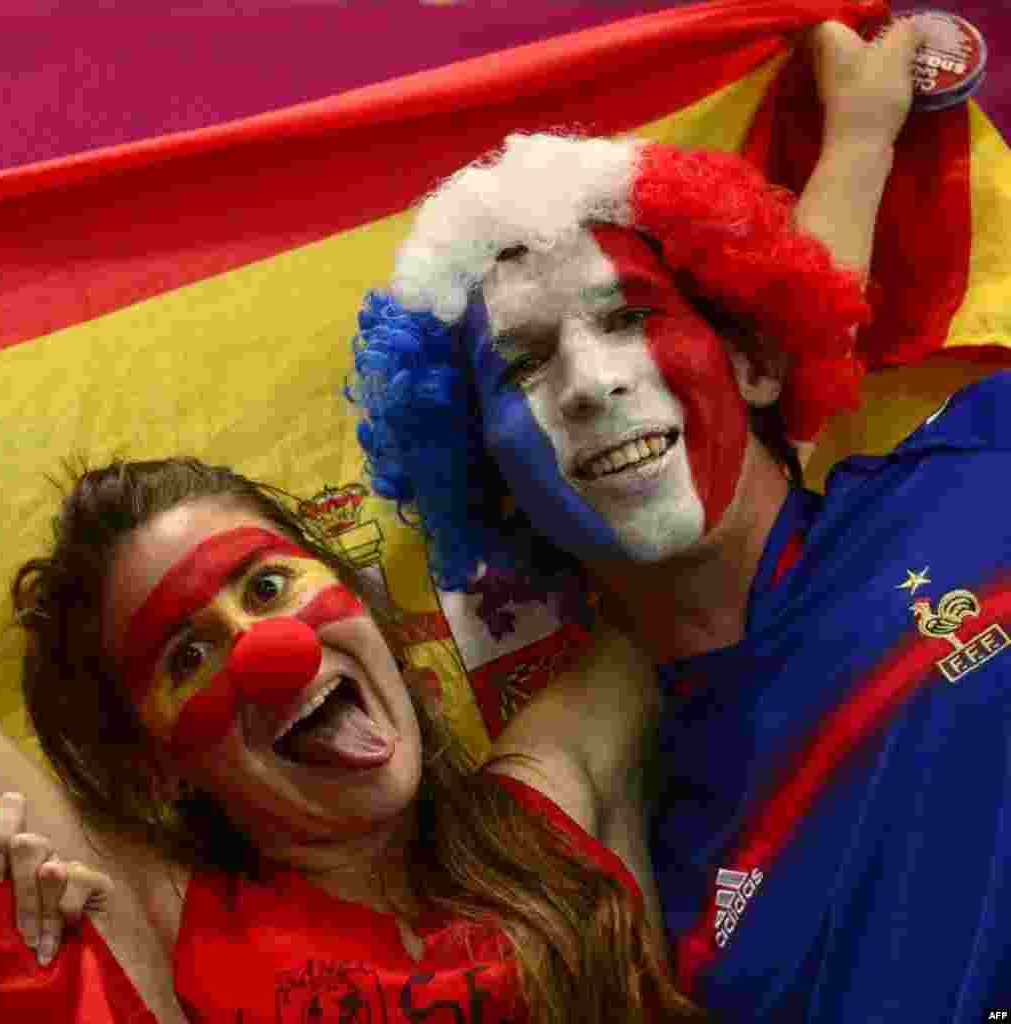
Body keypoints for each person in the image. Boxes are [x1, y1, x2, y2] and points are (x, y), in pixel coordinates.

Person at [347, 16, 1011, 1023]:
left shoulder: (979, 458)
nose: (590, 383)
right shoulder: (619, 865)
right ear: (491, 480)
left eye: (628, 317)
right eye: (522, 364)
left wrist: (863, 139)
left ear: (750, 358)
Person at [0, 455, 691, 1023]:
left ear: (356, 597)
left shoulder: (553, 801)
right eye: (188, 658)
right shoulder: (174, 929)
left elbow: (692, 565)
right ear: (156, 768)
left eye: (266, 588)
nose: (271, 651)